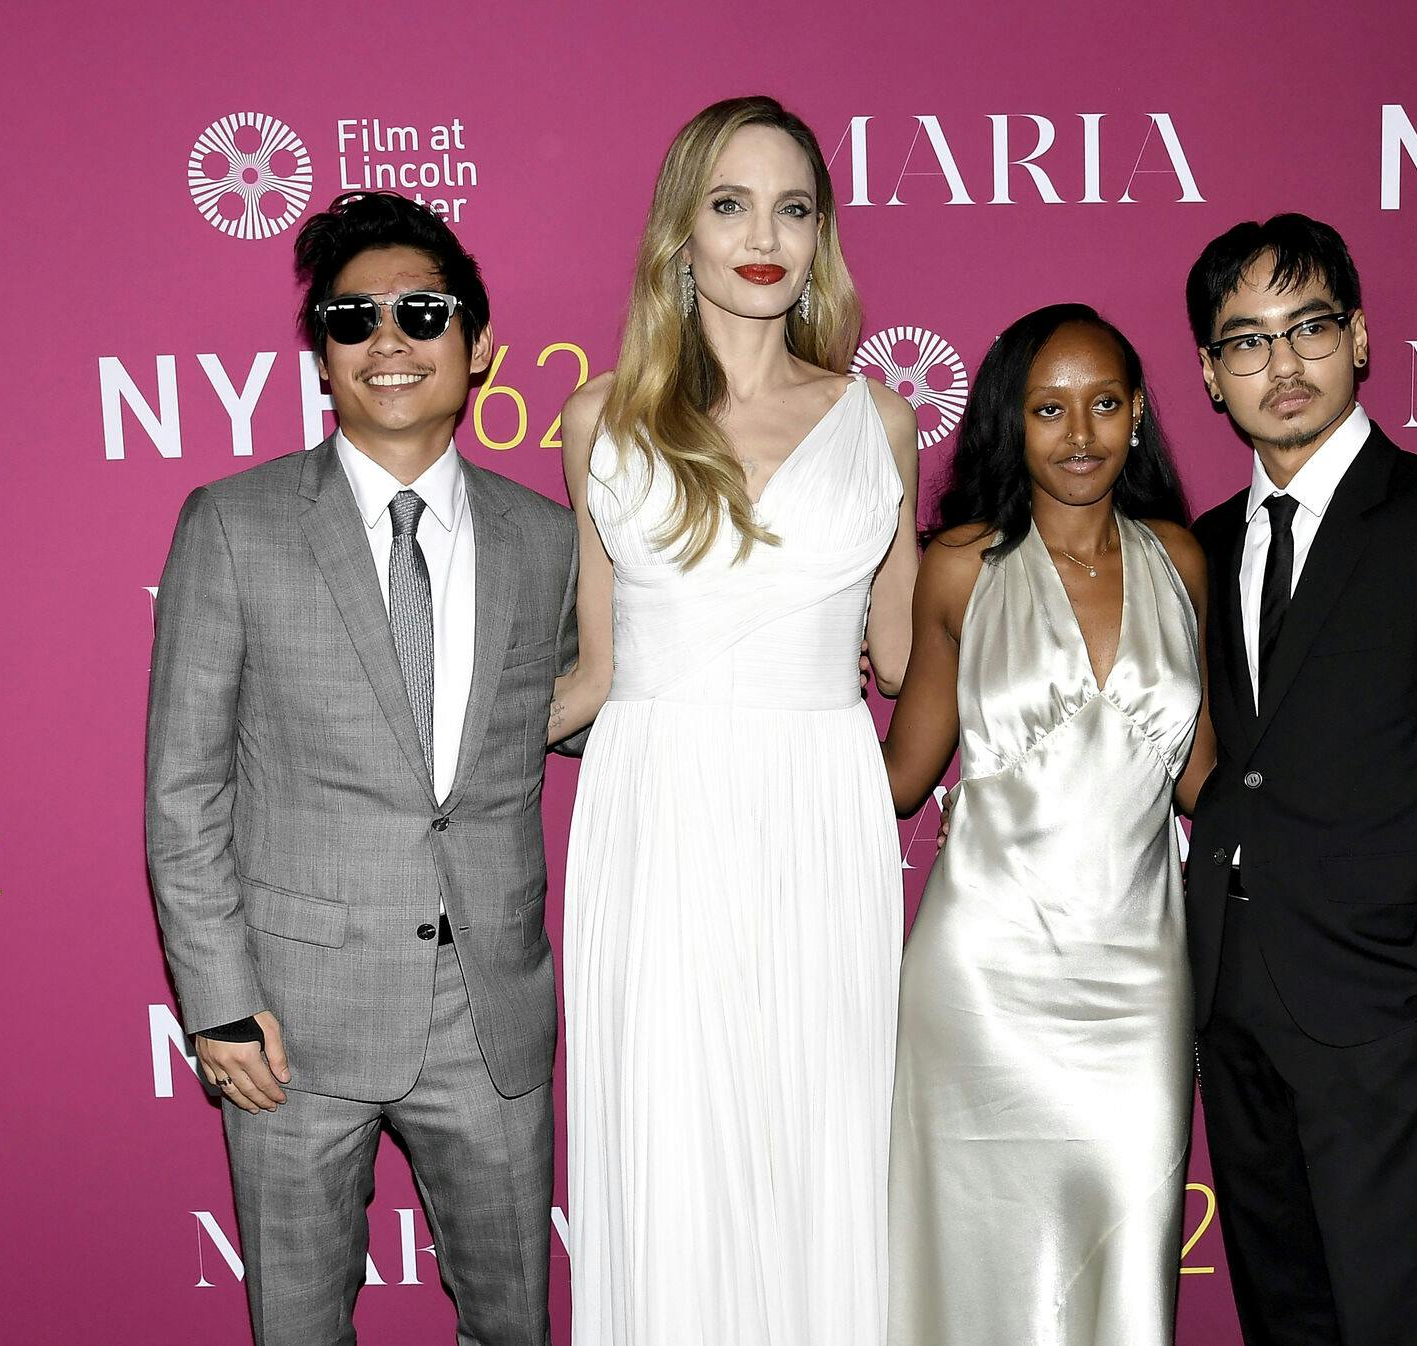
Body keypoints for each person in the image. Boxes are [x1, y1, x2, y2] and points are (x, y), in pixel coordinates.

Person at [145, 190, 579, 1346]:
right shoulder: (233, 525)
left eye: (422, 312)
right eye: (352, 319)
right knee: (297, 1328)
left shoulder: (547, 538)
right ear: (322, 355)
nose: (388, 340)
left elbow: (592, 707)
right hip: (292, 1020)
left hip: (489, 1011)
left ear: (478, 345)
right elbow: (184, 789)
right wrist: (221, 1003)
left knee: (514, 1326)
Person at [549, 95, 920, 1344]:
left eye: (794, 207)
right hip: (656, 814)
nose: (764, 234)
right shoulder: (600, 421)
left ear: (821, 239)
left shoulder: (881, 424)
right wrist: (412, 757)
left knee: (823, 1142)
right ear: (681, 237)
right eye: (730, 203)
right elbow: (596, 675)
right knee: (672, 1148)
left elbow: (903, 657)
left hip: (821, 809)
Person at [1182, 214, 1417, 1346]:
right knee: (1284, 1316)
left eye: (1310, 328)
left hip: (1375, 1004)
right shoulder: (1204, 538)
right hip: (1227, 997)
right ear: (1208, 372)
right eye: (1247, 341)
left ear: (1361, 338)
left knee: (1386, 1319)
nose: (1282, 365)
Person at [881, 305, 1214, 1346]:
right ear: (1006, 423)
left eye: (1105, 404)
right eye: (1050, 408)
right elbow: (901, 777)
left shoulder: (1178, 559)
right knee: (975, 1267)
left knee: (1126, 1256)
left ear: (1140, 413)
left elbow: (1200, 776)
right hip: (983, 981)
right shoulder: (960, 566)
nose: (1081, 434)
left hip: (1136, 982)